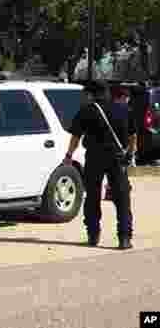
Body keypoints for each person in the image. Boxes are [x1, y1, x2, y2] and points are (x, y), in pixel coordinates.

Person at [64, 81, 137, 249]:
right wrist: (130, 154)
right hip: (118, 158)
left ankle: (93, 235)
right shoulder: (124, 109)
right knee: (122, 198)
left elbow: (76, 137)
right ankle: (124, 238)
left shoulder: (87, 111)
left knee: (93, 197)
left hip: (94, 158)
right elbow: (133, 135)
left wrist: (69, 155)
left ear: (91, 94)